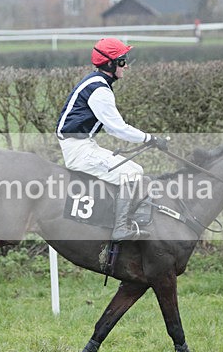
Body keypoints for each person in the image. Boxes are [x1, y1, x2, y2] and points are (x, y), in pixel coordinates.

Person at [56, 37, 167, 242]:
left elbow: (108, 127)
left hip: (84, 144)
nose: (126, 66)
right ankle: (120, 228)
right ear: (110, 64)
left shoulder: (97, 83)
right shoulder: (99, 90)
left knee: (137, 171)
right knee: (132, 173)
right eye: (122, 61)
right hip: (78, 150)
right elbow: (117, 128)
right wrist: (150, 138)